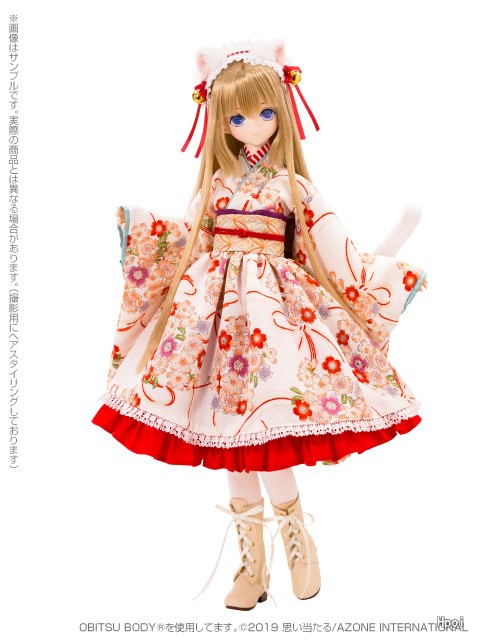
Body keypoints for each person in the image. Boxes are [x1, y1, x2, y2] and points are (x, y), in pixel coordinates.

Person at [92, 39, 427, 611]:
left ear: (282, 112)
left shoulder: (292, 186)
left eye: (265, 112)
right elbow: (189, 239)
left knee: (269, 430)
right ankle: (253, 564)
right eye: (238, 117)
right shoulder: (216, 185)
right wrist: (144, 228)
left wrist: (383, 272)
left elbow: (334, 250)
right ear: (221, 121)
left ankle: (299, 544)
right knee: (230, 438)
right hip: (214, 319)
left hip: (275, 319)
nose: (251, 126)